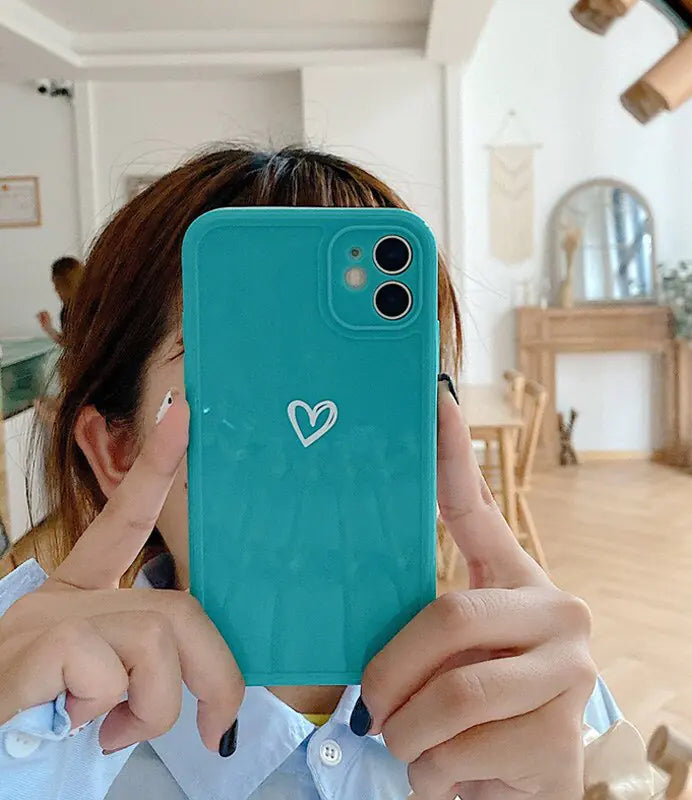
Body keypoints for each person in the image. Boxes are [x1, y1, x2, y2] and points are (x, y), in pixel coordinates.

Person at [0, 147, 638, 800]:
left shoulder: (537, 702)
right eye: (248, 380)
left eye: (375, 379)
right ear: (118, 449)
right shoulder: (34, 744)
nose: (318, 440)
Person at [37, 256, 83, 345]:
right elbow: (69, 343)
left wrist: (49, 329)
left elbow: (72, 345)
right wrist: (49, 328)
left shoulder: (95, 308)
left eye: (57, 285)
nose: (55, 290)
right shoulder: (67, 311)